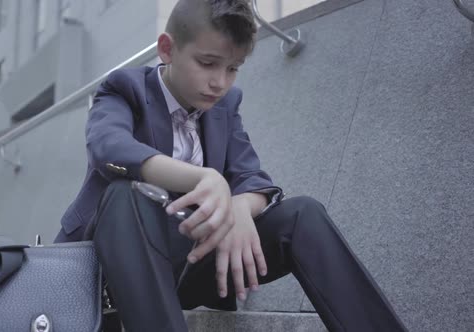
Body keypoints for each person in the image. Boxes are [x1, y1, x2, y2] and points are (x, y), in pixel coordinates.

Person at [55, 0, 407, 331]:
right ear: (167, 49)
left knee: (304, 214)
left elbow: (252, 177)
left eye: (233, 69)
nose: (219, 82)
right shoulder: (125, 88)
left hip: (192, 264)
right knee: (125, 193)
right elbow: (109, 148)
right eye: (207, 63)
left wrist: (240, 206)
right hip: (113, 266)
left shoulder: (224, 106)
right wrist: (203, 178)